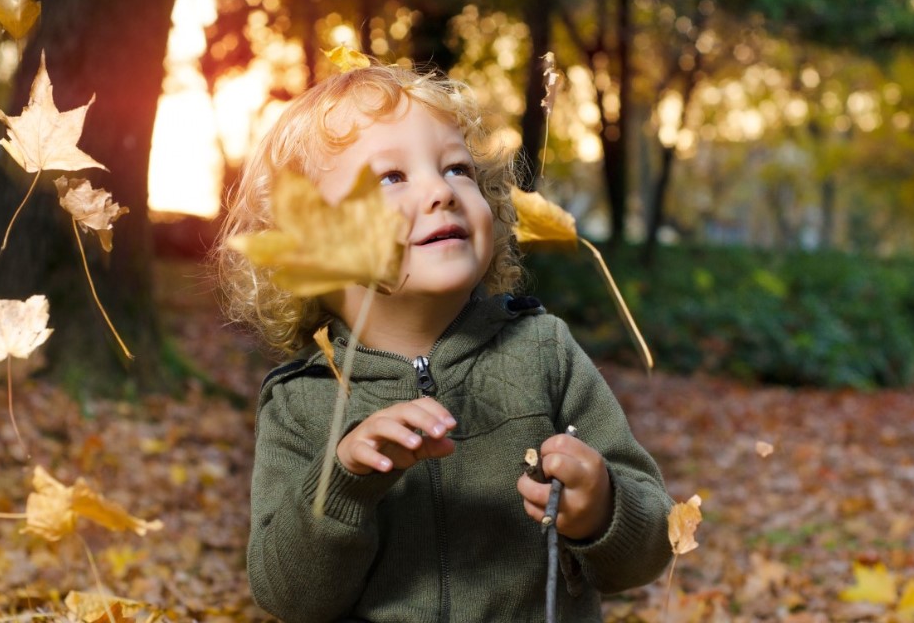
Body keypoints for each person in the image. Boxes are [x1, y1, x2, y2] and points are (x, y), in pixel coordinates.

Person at [215, 60, 674, 622]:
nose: (440, 191)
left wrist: (602, 509)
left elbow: (649, 546)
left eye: (457, 168)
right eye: (391, 177)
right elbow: (290, 596)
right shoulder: (301, 399)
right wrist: (343, 482)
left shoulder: (543, 351)